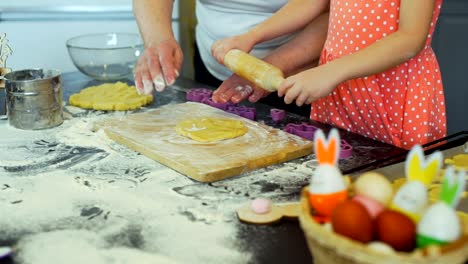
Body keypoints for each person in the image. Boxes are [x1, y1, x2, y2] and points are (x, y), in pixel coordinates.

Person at [212, 0, 447, 149]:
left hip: (392, 93)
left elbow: (410, 39)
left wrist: (329, 73)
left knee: (394, 187)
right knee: (341, 176)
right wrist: (253, 36)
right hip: (339, 92)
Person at [132, 0, 328, 116]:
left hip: (300, 74)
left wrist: (269, 66)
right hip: (211, 65)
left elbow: (334, 14)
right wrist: (158, 38)